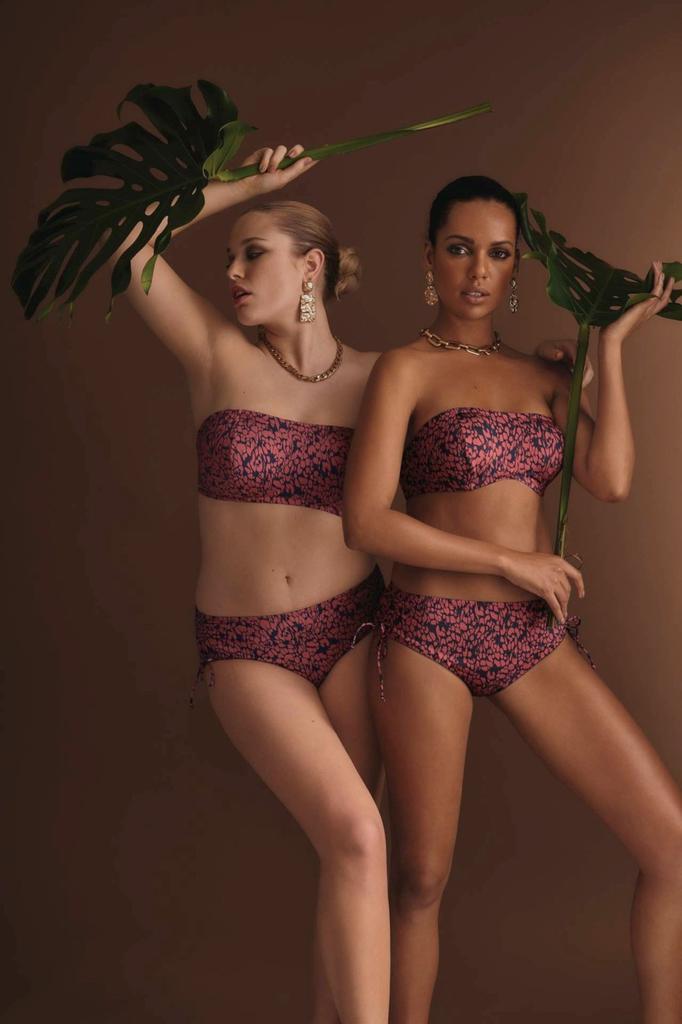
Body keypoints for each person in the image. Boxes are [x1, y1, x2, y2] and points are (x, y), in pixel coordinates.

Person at [342, 175, 682, 1023]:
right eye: (460, 249)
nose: (478, 271)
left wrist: (608, 352)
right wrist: (509, 560)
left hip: (528, 636)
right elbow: (365, 521)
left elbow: (610, 479)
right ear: (429, 257)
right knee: (421, 877)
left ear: (517, 267)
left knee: (672, 845)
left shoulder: (543, 374)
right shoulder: (405, 369)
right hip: (427, 632)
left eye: (498, 254)